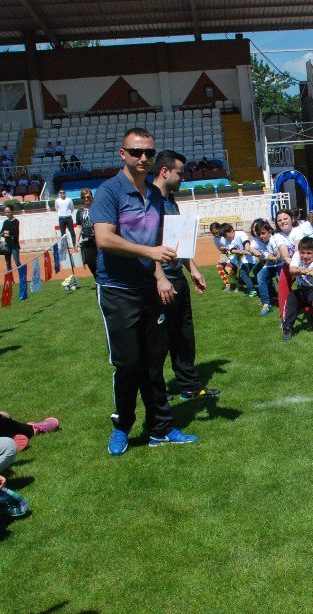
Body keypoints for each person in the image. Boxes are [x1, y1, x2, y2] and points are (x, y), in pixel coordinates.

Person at [91, 127, 197, 456]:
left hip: (149, 287)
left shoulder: (154, 194)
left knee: (153, 362)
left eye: (148, 153)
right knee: (128, 364)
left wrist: (161, 277)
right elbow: (104, 239)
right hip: (117, 289)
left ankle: (160, 428)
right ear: (123, 154)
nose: (143, 158)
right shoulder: (110, 192)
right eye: (136, 152)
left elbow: (154, 243)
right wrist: (150, 255)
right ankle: (122, 425)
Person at [151, 149, 218, 402]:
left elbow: (178, 239)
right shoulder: (148, 200)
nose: (183, 178)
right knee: (159, 340)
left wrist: (192, 269)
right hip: (159, 282)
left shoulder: (171, 201)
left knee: (183, 335)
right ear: (165, 171)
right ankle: (156, 392)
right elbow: (148, 243)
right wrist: (159, 277)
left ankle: (189, 385)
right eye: (180, 172)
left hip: (176, 277)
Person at [251, 219, 280, 314]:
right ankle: (266, 304)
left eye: (263, 233)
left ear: (269, 232)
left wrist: (276, 256)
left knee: (280, 280)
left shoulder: (273, 239)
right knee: (260, 276)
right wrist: (256, 252)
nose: (261, 236)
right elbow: (253, 249)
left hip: (280, 264)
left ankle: (287, 300)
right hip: (269, 265)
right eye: (259, 234)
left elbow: (277, 251)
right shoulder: (258, 241)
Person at [220, 223, 257, 296]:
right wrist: (239, 251)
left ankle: (252, 290)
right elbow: (232, 250)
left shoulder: (240, 234)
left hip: (249, 258)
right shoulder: (227, 239)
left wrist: (246, 250)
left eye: (225, 235)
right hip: (239, 258)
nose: (225, 237)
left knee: (243, 273)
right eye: (224, 236)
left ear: (231, 231)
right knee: (229, 270)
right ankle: (242, 283)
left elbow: (246, 242)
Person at [76, 188, 97, 277]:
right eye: (84, 197)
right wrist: (76, 241)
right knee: (90, 262)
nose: (86, 199)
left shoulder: (98, 208)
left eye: (88, 197)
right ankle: (97, 280)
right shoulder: (80, 211)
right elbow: (79, 226)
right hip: (87, 242)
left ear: (92, 197)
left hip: (98, 240)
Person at [0, 206, 21, 271]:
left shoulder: (16, 221)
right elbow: (1, 232)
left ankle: (21, 278)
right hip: (7, 245)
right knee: (8, 263)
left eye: (8, 212)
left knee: (17, 262)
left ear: (12, 212)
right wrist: (6, 233)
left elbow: (14, 232)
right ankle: (10, 280)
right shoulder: (5, 222)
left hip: (14, 245)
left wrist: (7, 233)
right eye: (5, 212)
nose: (7, 214)